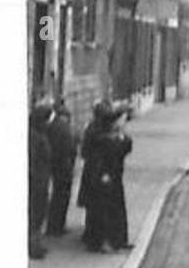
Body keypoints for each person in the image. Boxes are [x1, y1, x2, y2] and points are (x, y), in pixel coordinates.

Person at [80, 100, 133, 253]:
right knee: (102, 211)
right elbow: (103, 153)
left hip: (113, 176)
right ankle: (101, 241)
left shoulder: (106, 133)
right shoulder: (97, 133)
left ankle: (118, 239)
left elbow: (125, 147)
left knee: (115, 209)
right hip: (102, 176)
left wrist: (121, 136)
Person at [45, 98, 78, 235]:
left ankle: (56, 225)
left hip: (59, 165)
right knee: (61, 196)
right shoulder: (62, 128)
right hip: (63, 166)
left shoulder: (54, 126)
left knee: (59, 196)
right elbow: (67, 148)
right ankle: (56, 226)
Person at [28, 98, 54, 259]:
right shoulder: (34, 137)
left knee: (39, 213)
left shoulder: (39, 134)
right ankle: (33, 246)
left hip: (42, 180)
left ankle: (36, 244)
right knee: (34, 214)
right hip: (36, 182)